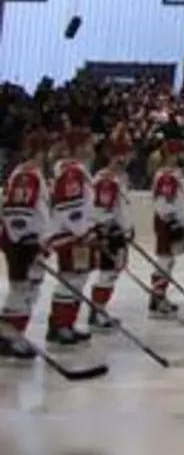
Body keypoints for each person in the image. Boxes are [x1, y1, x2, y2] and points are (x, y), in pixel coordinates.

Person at [0, 130, 51, 360]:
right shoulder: (27, 174)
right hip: (23, 241)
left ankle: (13, 335)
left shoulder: (31, 173)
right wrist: (26, 238)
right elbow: (17, 210)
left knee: (29, 289)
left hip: (29, 241)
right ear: (41, 151)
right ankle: (8, 337)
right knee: (22, 289)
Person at [46, 129, 96, 346]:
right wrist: (84, 232)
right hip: (72, 237)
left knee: (78, 278)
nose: (92, 149)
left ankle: (66, 323)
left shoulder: (75, 170)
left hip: (77, 235)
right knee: (70, 279)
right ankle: (60, 326)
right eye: (89, 144)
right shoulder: (70, 172)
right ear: (78, 147)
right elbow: (70, 209)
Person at [87, 138, 135, 330]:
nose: (131, 158)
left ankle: (99, 310)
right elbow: (100, 210)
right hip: (109, 234)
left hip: (119, 234)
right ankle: (97, 312)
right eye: (128, 154)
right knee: (108, 273)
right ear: (118, 156)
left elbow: (121, 208)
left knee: (113, 271)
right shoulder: (105, 180)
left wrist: (128, 228)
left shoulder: (119, 178)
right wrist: (111, 229)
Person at [148, 140, 184, 319]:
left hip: (174, 223)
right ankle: (157, 298)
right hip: (168, 224)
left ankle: (160, 296)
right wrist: (172, 221)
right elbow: (163, 202)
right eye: (183, 152)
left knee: (169, 259)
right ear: (175, 154)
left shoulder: (175, 174)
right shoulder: (166, 175)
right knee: (164, 259)